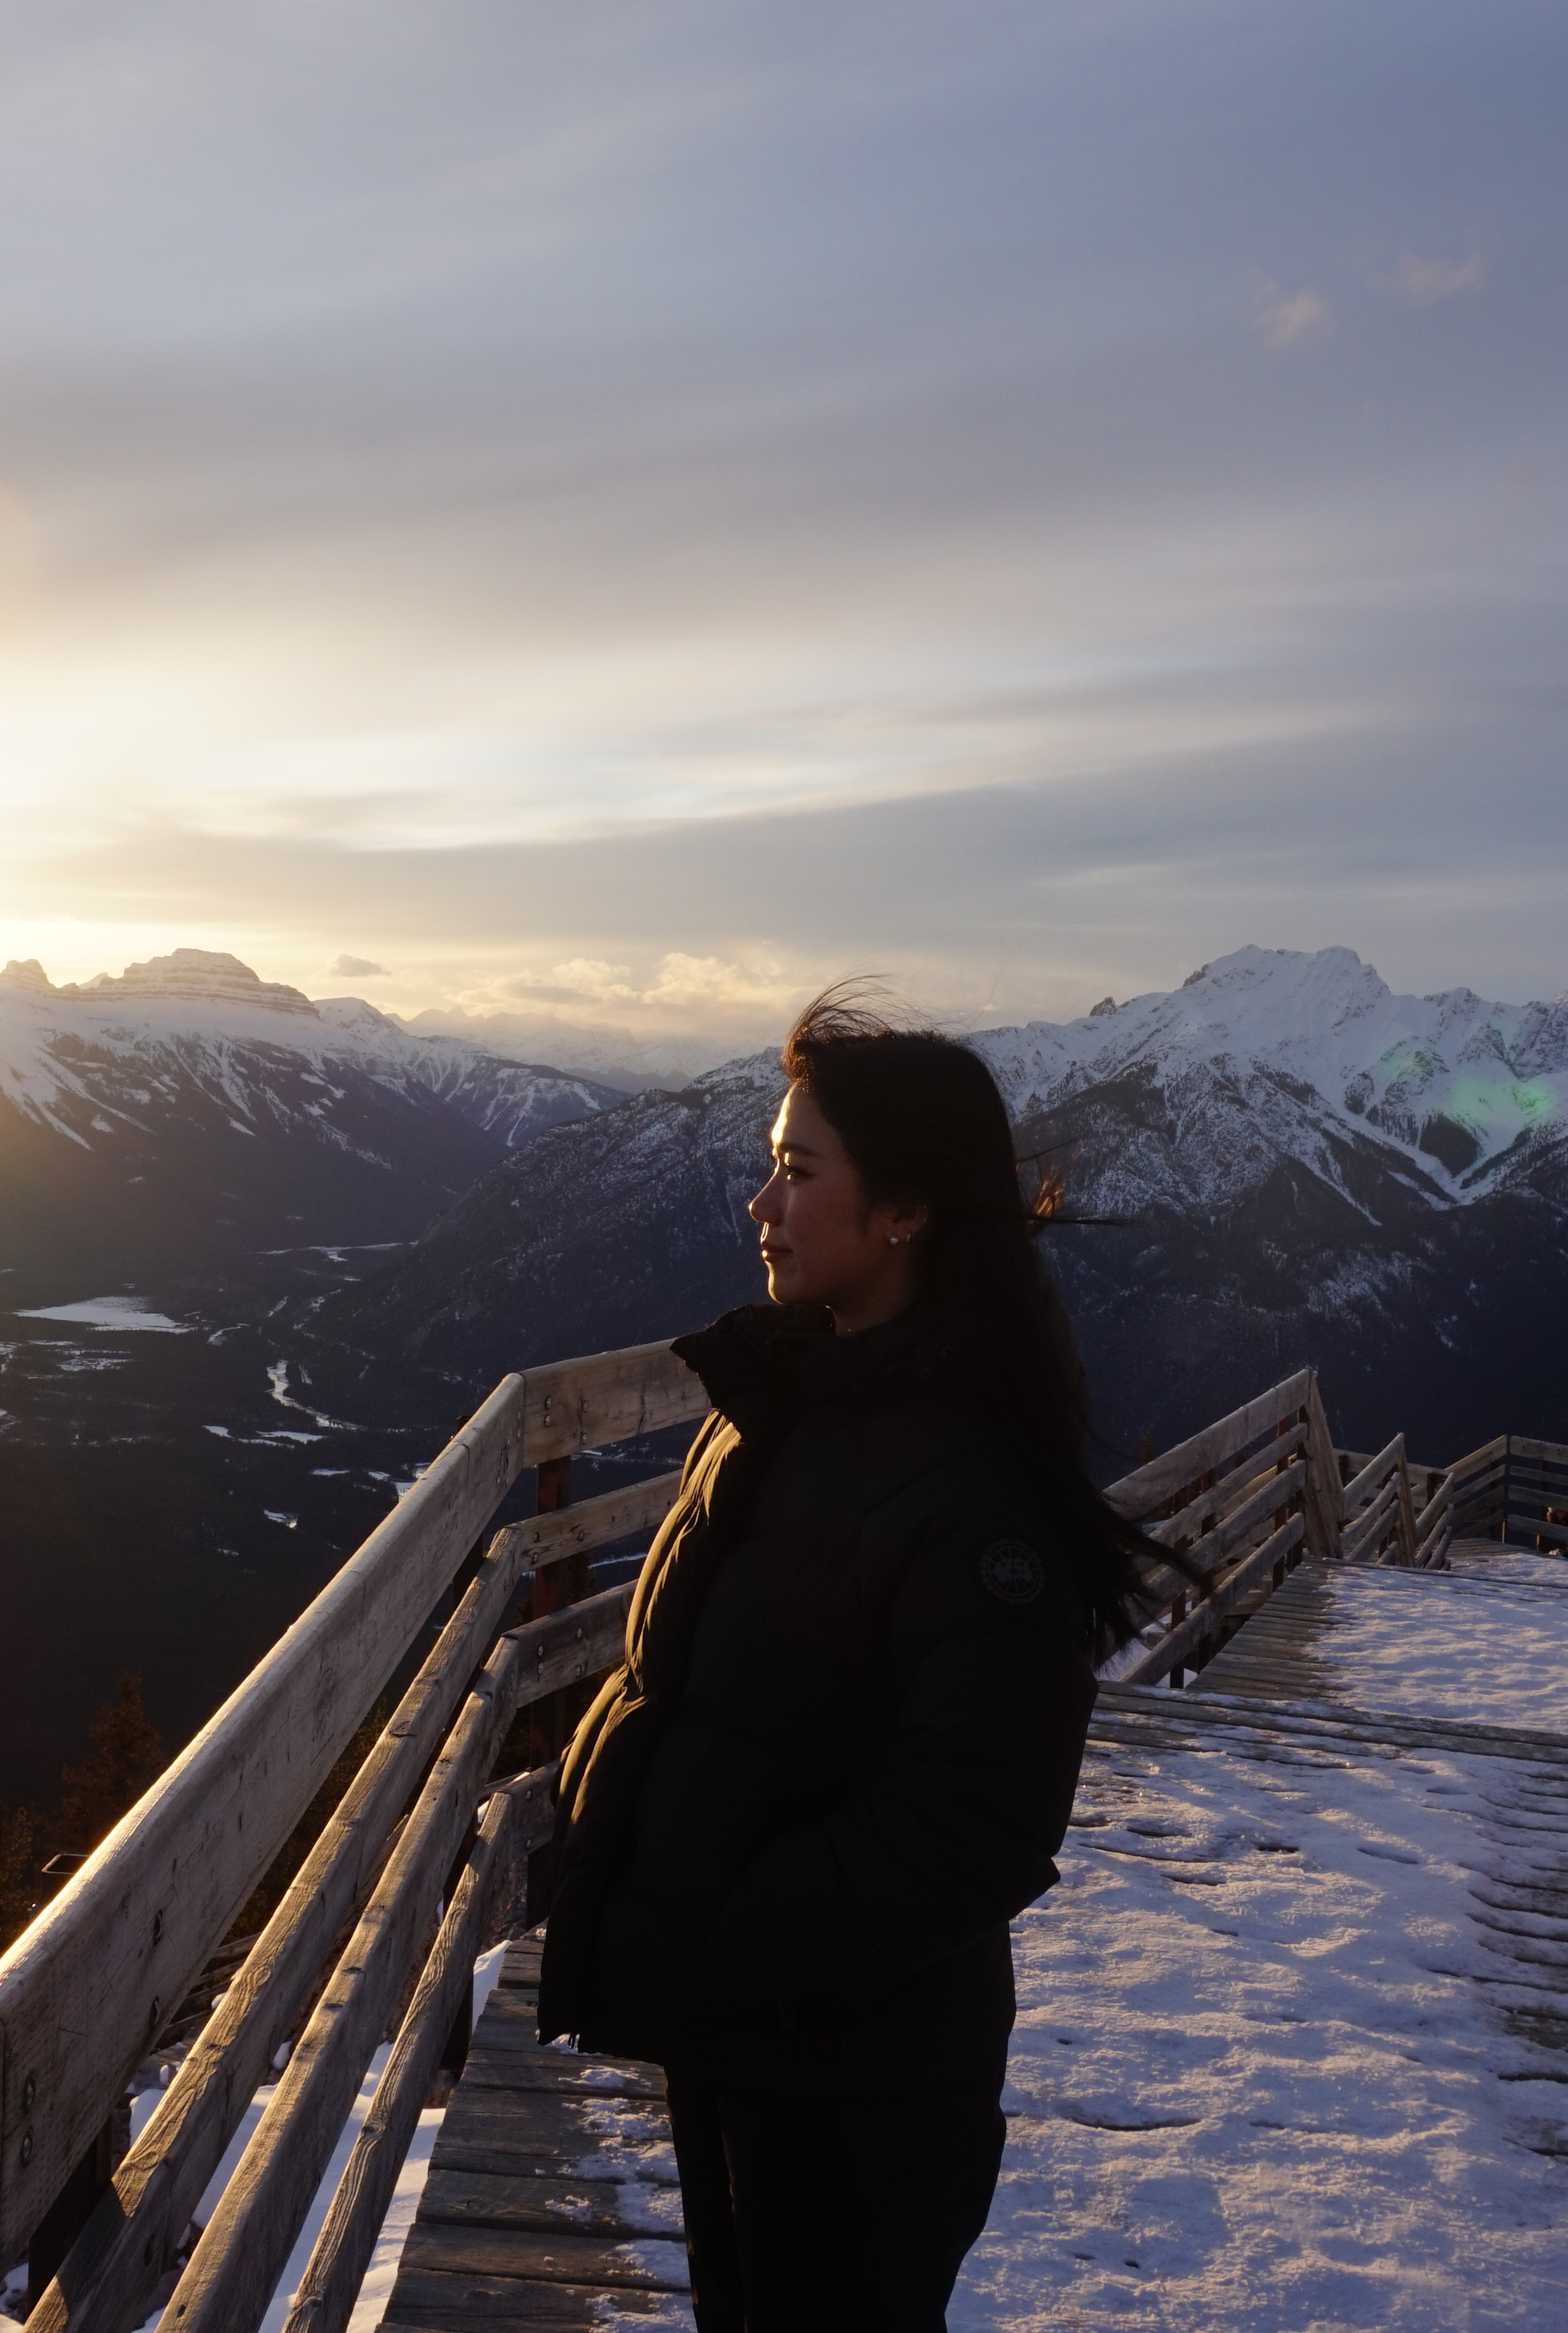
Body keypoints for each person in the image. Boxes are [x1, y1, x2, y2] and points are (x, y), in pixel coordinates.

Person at [536, 987, 1188, 2330]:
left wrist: (723, 1923)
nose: (762, 1205)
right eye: (770, 1167)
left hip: (855, 2076)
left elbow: (976, 1824)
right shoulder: (786, 1401)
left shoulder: (968, 1488)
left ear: (904, 1212)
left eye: (797, 1170)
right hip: (752, 2036)